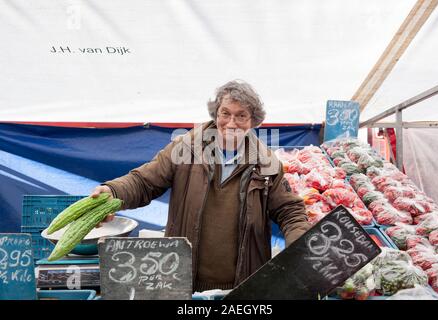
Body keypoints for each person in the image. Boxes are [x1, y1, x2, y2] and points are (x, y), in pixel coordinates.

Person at [91, 80, 310, 292]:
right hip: (184, 281)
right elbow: (144, 181)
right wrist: (113, 191)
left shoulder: (266, 162)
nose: (232, 123)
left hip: (242, 285)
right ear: (216, 114)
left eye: (241, 115)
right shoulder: (186, 148)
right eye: (226, 113)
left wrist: (300, 243)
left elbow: (288, 210)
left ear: (253, 121)